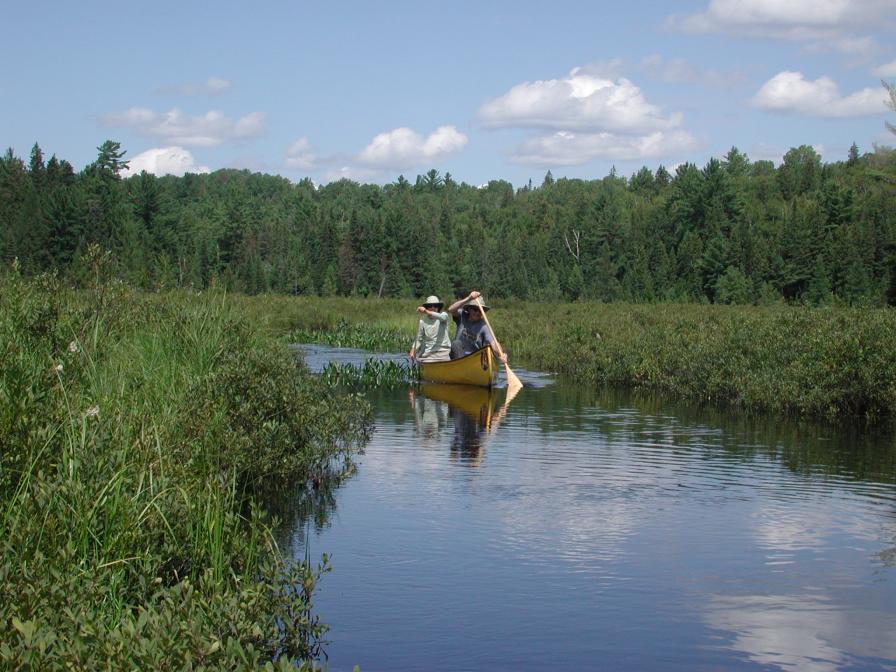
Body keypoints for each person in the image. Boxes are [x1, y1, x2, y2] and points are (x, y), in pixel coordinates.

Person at [447, 289, 507, 363]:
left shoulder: (484, 326)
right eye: (475, 309)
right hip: (457, 358)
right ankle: (461, 367)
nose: (477, 312)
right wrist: (469, 298)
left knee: (487, 349)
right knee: (456, 343)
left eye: (480, 310)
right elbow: (451, 309)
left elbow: (494, 343)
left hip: (473, 359)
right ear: (469, 309)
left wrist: (501, 353)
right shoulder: (462, 316)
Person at [409, 295, 452, 362]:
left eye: (435, 306)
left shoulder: (443, 315)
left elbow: (442, 317)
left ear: (438, 307)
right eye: (430, 306)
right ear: (427, 307)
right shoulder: (422, 321)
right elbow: (418, 339)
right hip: (428, 355)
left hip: (443, 353)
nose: (433, 308)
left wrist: (426, 311)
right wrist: (413, 351)